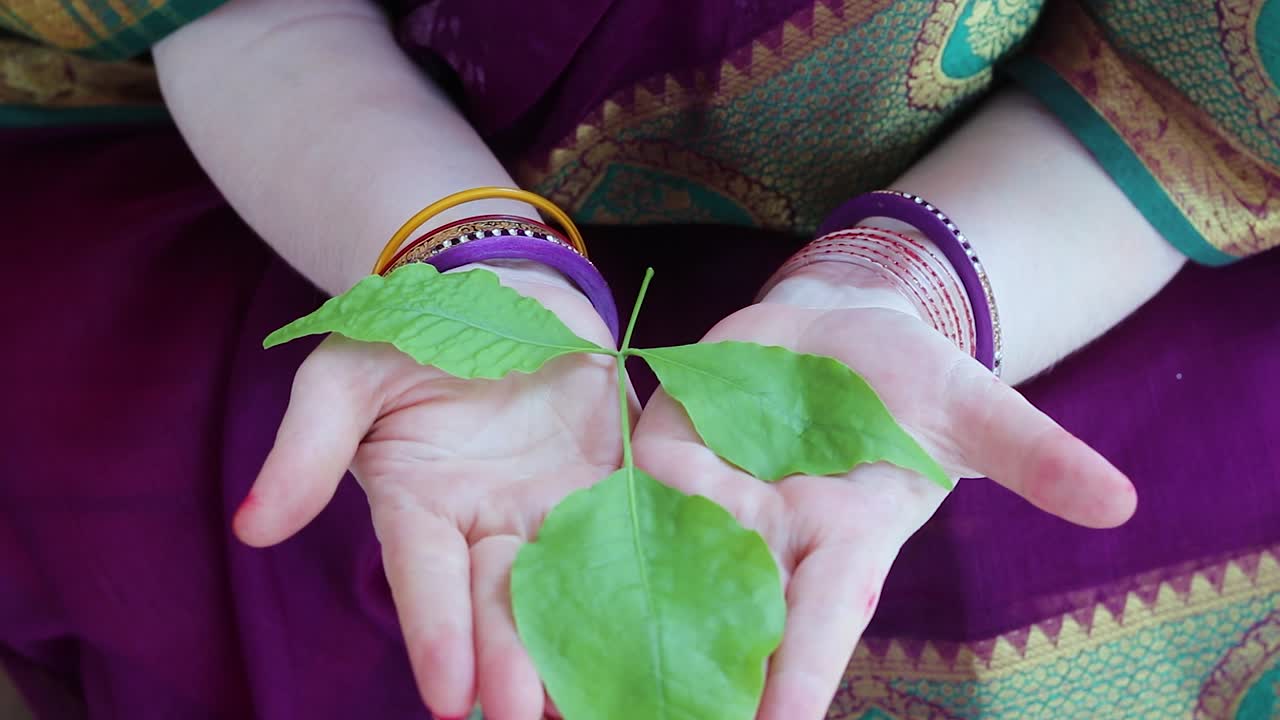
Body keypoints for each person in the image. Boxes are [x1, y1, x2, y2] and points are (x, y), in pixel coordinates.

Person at [1, 0, 1276, 718]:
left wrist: (915, 286)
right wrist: (461, 256)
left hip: (1032, 236)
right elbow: (250, 16)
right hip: (353, 183)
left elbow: (1178, 95)